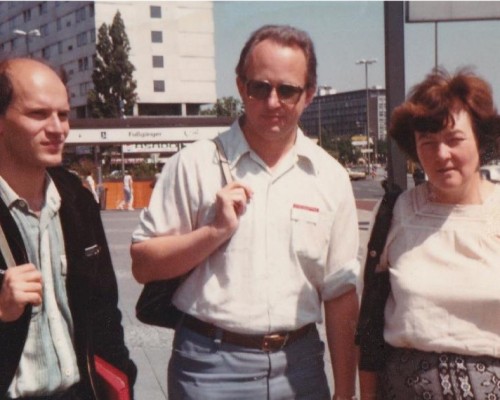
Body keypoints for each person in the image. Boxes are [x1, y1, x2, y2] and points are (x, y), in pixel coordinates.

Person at [131, 24, 360, 400]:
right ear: (241, 87)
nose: (273, 102)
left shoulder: (330, 177)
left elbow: (340, 294)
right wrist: (213, 232)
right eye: (260, 87)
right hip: (209, 366)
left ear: (309, 95)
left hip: (299, 365)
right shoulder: (193, 164)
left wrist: (345, 392)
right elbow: (143, 264)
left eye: (287, 90)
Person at [359, 69, 500, 399]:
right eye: (428, 142)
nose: (441, 155)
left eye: (454, 139)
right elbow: (369, 331)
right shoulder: (395, 213)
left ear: (480, 138)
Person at [0, 58, 136, 399]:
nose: (58, 128)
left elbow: (105, 312)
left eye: (63, 114)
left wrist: (123, 382)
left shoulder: (77, 201)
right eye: (38, 114)